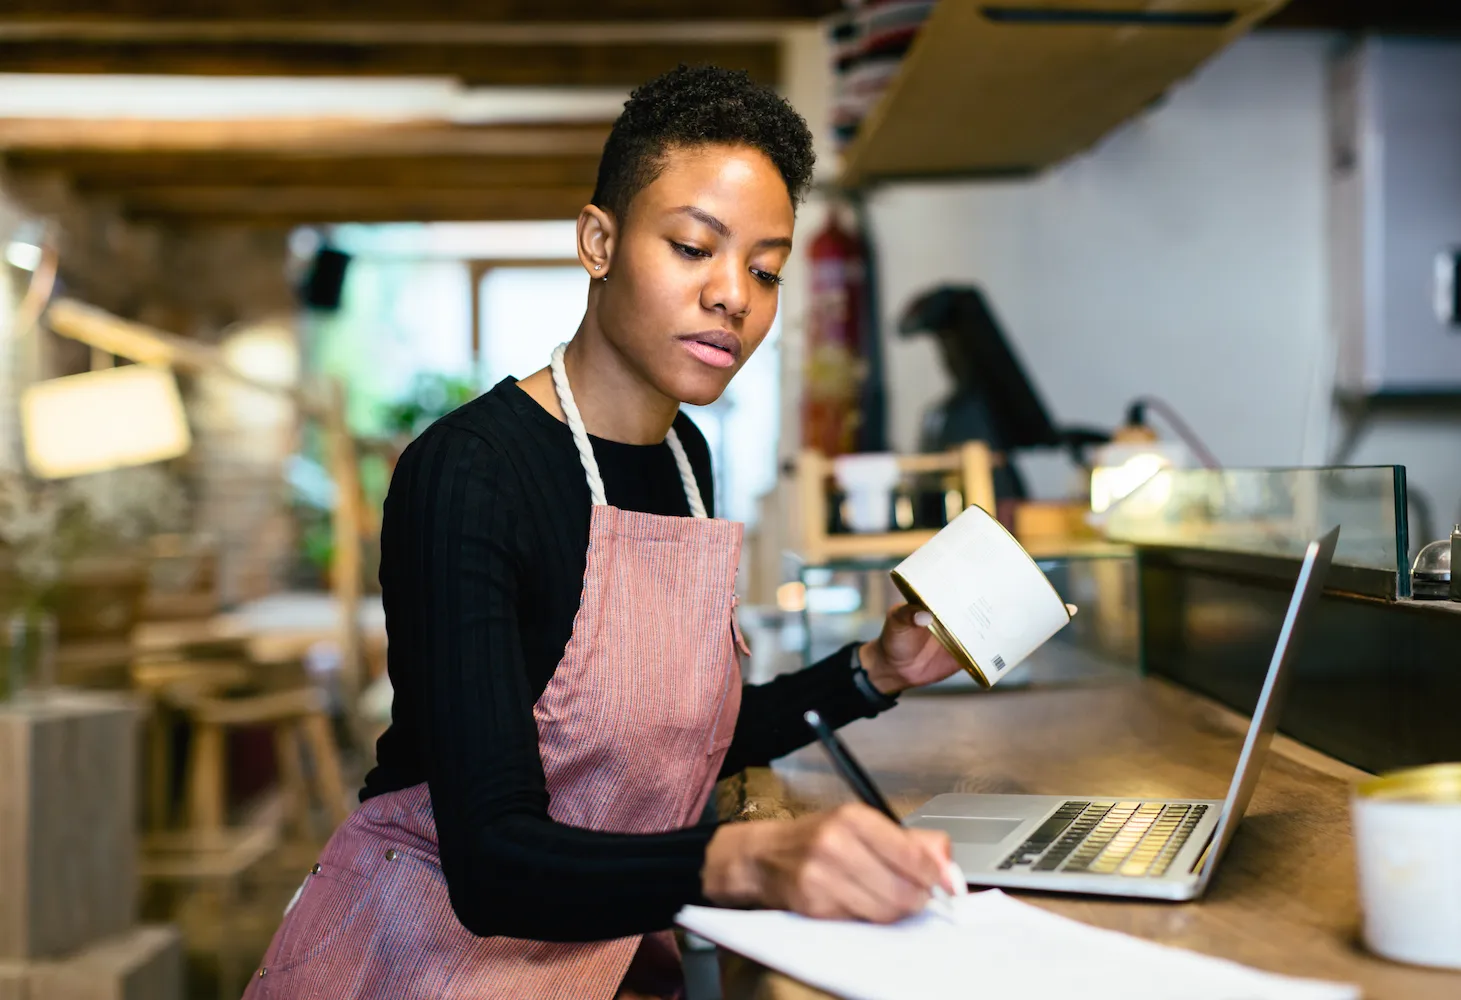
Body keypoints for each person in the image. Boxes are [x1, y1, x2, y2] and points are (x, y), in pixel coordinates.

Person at [245, 65, 964, 1000]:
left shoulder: (684, 459)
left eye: (765, 268)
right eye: (694, 247)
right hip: (416, 961)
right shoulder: (468, 474)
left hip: (595, 955)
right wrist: (748, 860)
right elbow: (493, 862)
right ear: (599, 241)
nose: (732, 296)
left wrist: (875, 671)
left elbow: (666, 738)